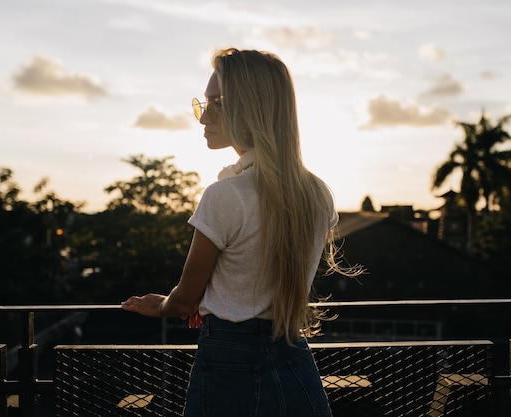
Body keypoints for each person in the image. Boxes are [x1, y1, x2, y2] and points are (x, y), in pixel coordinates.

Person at [122, 47, 359, 417]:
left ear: (251, 108)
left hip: (229, 359)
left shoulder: (226, 195)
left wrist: (161, 306)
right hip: (294, 356)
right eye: (204, 103)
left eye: (216, 104)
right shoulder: (316, 192)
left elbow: (185, 301)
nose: (204, 117)